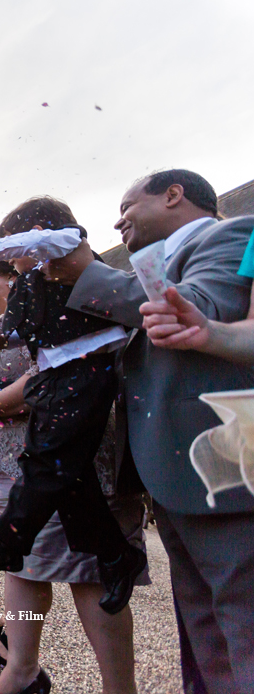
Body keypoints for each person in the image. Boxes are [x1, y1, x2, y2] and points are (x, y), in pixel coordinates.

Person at [51, 170, 254, 694]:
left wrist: (85, 270)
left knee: (241, 620)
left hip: (222, 468)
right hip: (167, 467)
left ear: (173, 194)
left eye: (127, 205)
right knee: (200, 622)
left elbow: (203, 311)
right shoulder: (150, 265)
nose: (118, 220)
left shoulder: (231, 235)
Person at [0, 197, 146, 620]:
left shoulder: (67, 249)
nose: (8, 258)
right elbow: (31, 328)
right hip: (53, 379)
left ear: (34, 235)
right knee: (71, 482)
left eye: (11, 247)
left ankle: (5, 539)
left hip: (89, 369)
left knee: (44, 459)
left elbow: (49, 244)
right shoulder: (33, 283)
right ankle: (115, 555)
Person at [0, 262, 148, 694]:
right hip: (13, 460)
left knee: (87, 571)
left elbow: (59, 367)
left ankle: (119, 688)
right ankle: (22, 670)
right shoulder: (4, 321)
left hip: (66, 451)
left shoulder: (68, 295)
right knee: (22, 566)